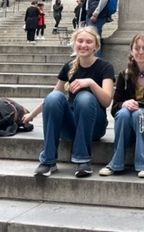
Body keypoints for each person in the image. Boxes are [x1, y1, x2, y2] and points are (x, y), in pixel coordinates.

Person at [22, 26, 114, 178]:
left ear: (96, 46)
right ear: (74, 43)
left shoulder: (105, 67)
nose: (84, 45)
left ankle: (83, 159)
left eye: (89, 42)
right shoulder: (69, 66)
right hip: (71, 126)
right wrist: (31, 115)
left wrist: (90, 83)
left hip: (94, 126)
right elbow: (53, 97)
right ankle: (48, 160)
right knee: (54, 98)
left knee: (84, 97)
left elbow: (106, 101)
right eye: (80, 41)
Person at [99, 33, 144, 177]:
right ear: (131, 51)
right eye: (137, 48)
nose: (140, 52)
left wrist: (136, 105)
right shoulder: (124, 75)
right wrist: (124, 104)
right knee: (123, 112)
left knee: (139, 113)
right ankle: (116, 163)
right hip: (130, 124)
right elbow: (114, 109)